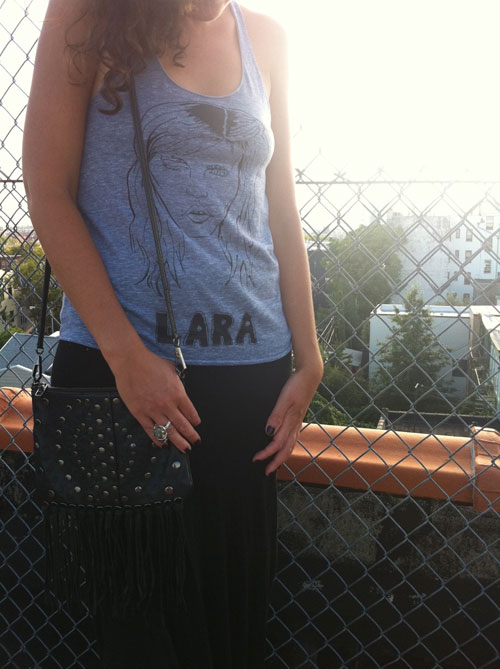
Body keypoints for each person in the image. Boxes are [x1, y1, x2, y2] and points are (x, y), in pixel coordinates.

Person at [23, 0, 323, 667]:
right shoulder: (87, 14)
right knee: (143, 631)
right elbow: (47, 190)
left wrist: (310, 358)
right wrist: (127, 356)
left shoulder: (266, 38)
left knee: (231, 615)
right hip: (122, 378)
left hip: (253, 378)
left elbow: (280, 206)